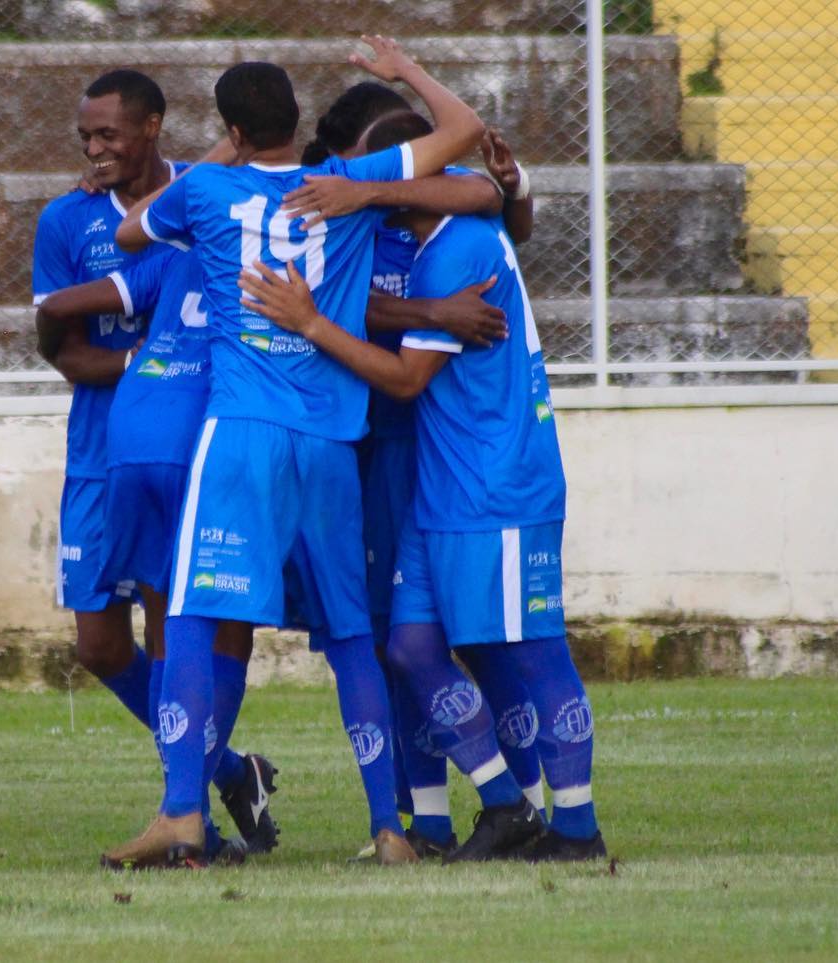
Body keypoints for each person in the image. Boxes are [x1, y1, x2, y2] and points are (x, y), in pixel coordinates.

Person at [104, 36, 486, 867]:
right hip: (329, 438)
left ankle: (181, 813)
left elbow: (134, 233)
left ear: (235, 130)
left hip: (241, 432)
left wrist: (219, 157)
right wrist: (400, 86)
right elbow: (464, 130)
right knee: (351, 636)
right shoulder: (349, 186)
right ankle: (390, 828)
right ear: (298, 124)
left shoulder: (204, 187)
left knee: (195, 617)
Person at [239, 110, 607, 863]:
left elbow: (407, 378)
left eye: (376, 176)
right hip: (440, 483)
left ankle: (576, 825)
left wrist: (310, 322)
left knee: (532, 651)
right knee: (408, 645)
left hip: (495, 481)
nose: (362, 188)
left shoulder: (456, 248)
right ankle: (504, 803)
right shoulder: (436, 233)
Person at [291, 88, 547, 859]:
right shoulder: (340, 210)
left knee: (474, 637)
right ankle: (427, 816)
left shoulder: (434, 206)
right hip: (373, 444)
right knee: (387, 638)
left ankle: (529, 797)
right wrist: (433, 316)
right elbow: (347, 304)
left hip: (439, 446)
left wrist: (517, 187)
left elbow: (493, 202)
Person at [31, 69, 274, 864]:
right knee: (100, 646)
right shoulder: (67, 219)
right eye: (87, 138)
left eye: (109, 135)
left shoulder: (204, 199)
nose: (96, 149)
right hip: (102, 452)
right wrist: (142, 359)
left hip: (187, 450)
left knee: (178, 631)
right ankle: (230, 771)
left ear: (153, 127)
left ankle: (184, 815)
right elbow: (66, 351)